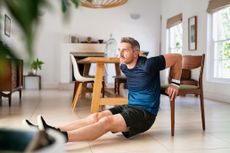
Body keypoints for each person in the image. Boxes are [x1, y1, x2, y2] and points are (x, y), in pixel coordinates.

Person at [24, 37, 182, 142]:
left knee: (106, 121)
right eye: (119, 49)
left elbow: (177, 58)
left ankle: (59, 137)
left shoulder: (149, 64)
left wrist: (175, 83)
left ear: (136, 53)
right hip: (131, 106)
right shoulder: (123, 66)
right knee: (96, 116)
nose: (120, 53)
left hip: (145, 114)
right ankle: (50, 130)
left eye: (125, 50)